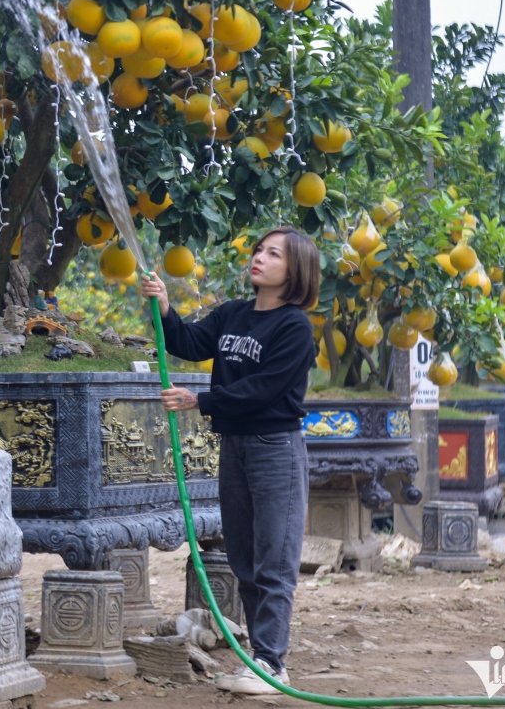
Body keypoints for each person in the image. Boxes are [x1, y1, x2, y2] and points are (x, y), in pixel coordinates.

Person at [139, 226, 320, 695]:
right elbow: (190, 343)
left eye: (273, 253)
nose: (259, 257)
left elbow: (264, 390)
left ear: (295, 269)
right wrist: (163, 307)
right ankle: (260, 657)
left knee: (274, 560)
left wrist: (200, 400)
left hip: (275, 448)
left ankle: (271, 664)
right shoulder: (234, 315)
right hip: (236, 447)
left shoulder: (295, 327)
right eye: (259, 249)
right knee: (242, 556)